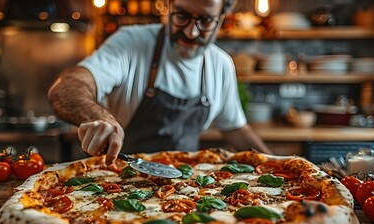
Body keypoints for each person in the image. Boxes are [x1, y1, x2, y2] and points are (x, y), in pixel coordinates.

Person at [48, 0, 270, 165]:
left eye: (205, 20)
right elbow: (66, 88)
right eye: (181, 15)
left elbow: (235, 128)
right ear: (168, 7)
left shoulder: (221, 64)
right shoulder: (131, 43)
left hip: (190, 188)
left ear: (221, 19)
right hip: (120, 179)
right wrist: (100, 117)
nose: (191, 32)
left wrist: (274, 165)